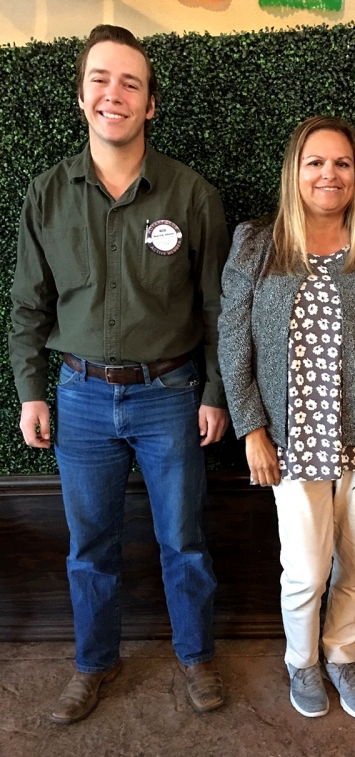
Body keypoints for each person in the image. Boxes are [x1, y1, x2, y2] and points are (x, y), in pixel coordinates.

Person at [9, 25, 230, 723]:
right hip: (77, 396)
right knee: (89, 547)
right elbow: (25, 305)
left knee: (183, 540)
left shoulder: (192, 195)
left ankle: (196, 656)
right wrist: (30, 393)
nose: (115, 94)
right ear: (81, 95)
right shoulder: (46, 196)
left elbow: (220, 307)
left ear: (151, 105)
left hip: (171, 395)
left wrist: (218, 393)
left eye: (131, 83)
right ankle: (93, 664)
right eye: (101, 80)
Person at [218, 116, 355, 719]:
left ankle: (342, 653)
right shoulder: (257, 246)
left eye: (341, 164)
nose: (328, 174)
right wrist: (252, 428)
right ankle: (302, 660)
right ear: (295, 171)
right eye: (315, 162)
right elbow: (234, 342)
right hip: (291, 441)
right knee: (307, 571)